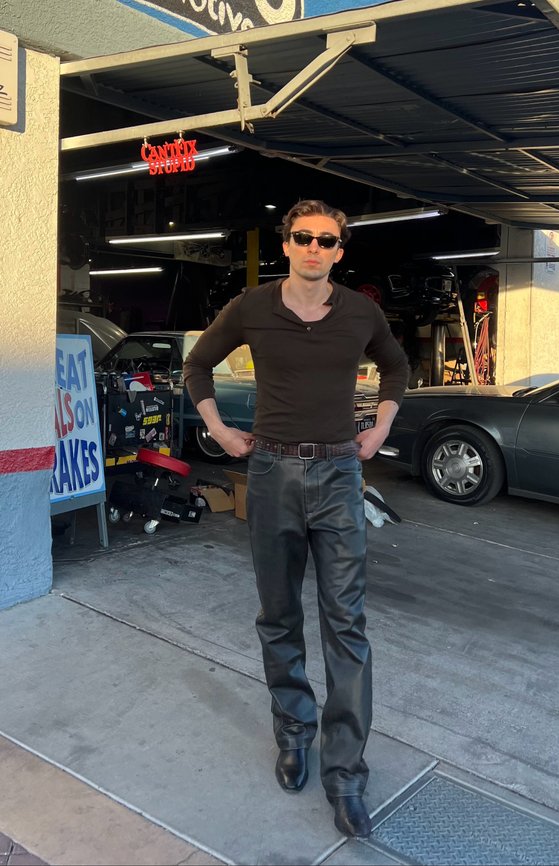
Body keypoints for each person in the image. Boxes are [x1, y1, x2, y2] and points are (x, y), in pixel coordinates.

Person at [183, 199, 409, 838]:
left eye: (326, 240)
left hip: (338, 474)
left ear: (339, 251)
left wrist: (380, 426)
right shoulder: (252, 307)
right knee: (278, 615)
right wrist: (218, 429)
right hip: (272, 473)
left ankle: (346, 774)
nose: (314, 247)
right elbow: (197, 364)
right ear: (286, 244)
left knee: (346, 624)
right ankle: (293, 732)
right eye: (303, 237)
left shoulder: (360, 312)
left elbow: (397, 366)